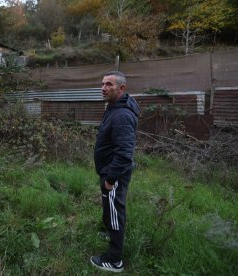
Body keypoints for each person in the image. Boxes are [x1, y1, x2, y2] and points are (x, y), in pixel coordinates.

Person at [90, 71, 139, 273]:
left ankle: (114, 259)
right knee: (111, 210)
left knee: (114, 212)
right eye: (102, 84)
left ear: (121, 88)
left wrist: (110, 179)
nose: (103, 88)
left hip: (114, 173)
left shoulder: (122, 115)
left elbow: (124, 153)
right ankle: (111, 232)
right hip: (109, 170)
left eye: (109, 84)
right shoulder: (114, 105)